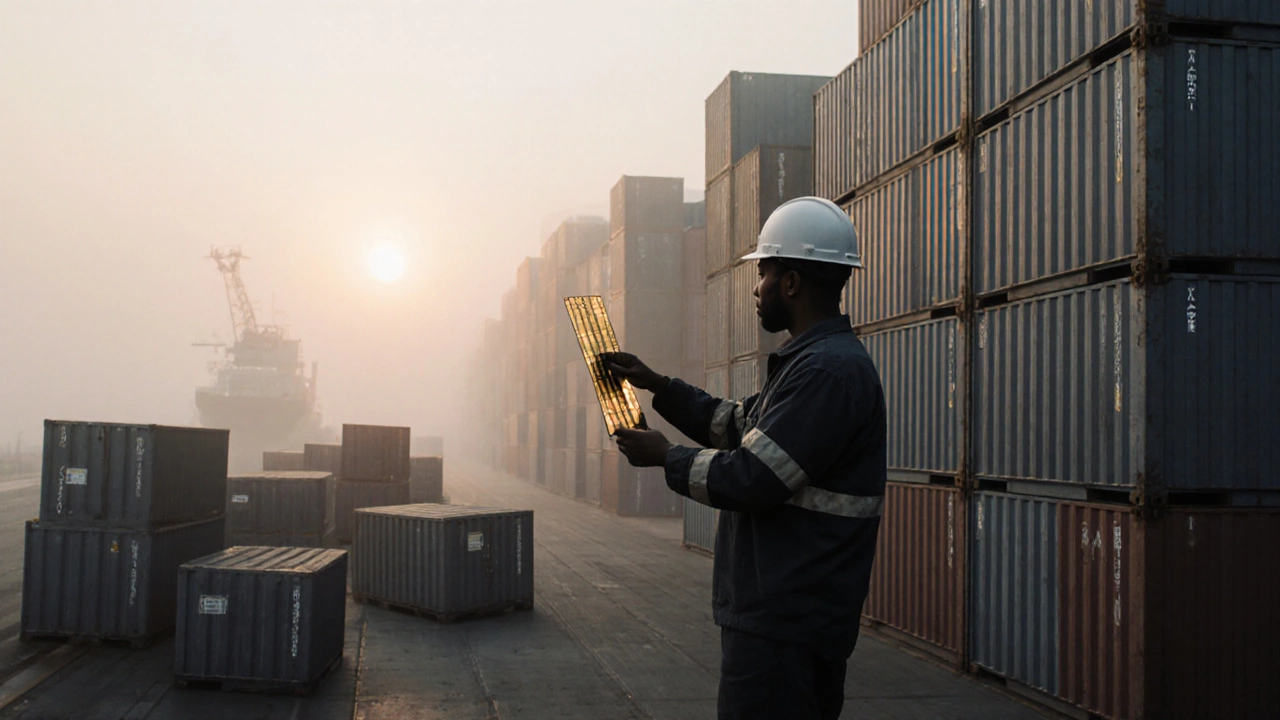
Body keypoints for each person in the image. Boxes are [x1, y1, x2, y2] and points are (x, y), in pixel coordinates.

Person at [603, 196, 886, 720]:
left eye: (763, 274)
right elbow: (735, 424)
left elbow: (755, 476)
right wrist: (658, 385)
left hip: (788, 621)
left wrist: (666, 458)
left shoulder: (825, 374)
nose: (756, 289)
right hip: (788, 615)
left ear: (792, 283)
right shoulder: (811, 364)